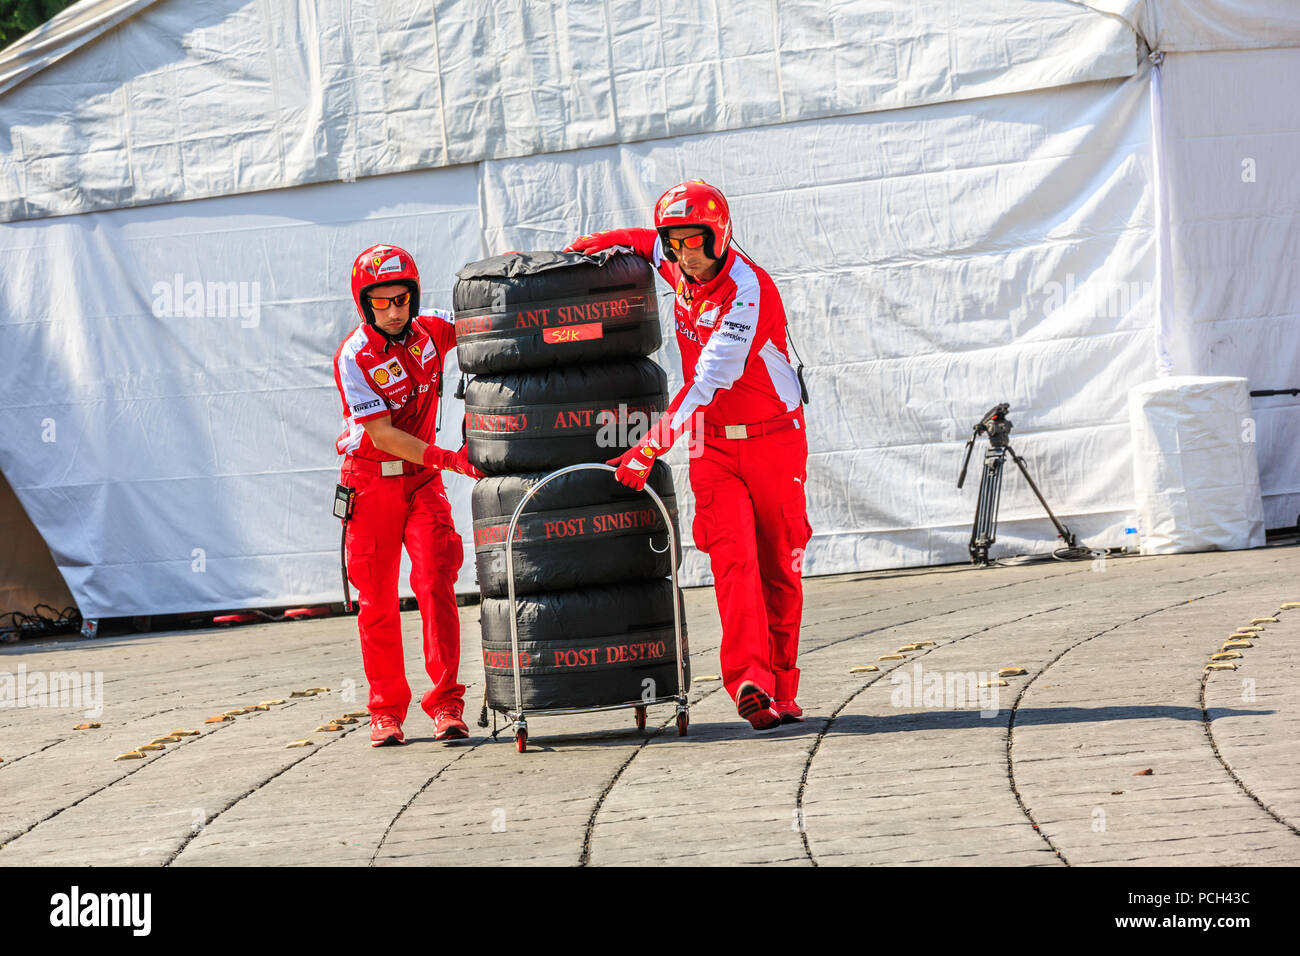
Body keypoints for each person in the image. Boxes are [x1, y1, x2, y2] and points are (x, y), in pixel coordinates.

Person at [567, 181, 812, 731]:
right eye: (675, 243)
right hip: (714, 445)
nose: (685, 254)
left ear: (719, 234)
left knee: (780, 563)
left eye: (695, 241)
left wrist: (647, 447)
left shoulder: (749, 292)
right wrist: (592, 245)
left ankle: (784, 685)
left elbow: (705, 384)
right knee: (732, 561)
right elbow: (640, 241)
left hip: (774, 439)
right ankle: (749, 682)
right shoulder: (677, 261)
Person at [333, 243, 483, 747]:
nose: (395, 311)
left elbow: (487, 318)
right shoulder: (354, 356)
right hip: (371, 481)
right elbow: (383, 434)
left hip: (422, 484)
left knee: (436, 581)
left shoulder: (433, 330)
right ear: (365, 302)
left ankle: (446, 704)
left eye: (403, 299)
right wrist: (451, 458)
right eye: (383, 301)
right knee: (376, 601)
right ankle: (385, 712)